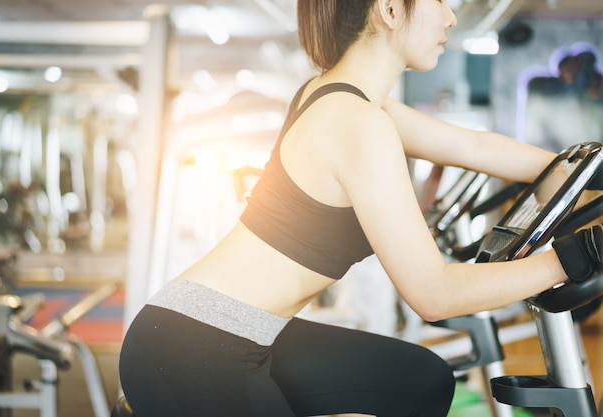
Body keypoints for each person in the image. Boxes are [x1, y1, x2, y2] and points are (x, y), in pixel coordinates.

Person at [118, 0, 603, 416]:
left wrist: (582, 171)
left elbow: (475, 146)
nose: (451, 17)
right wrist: (571, 258)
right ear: (391, 9)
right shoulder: (356, 122)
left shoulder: (341, 98)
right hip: (195, 348)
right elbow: (433, 294)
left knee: (421, 380)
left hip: (213, 326)